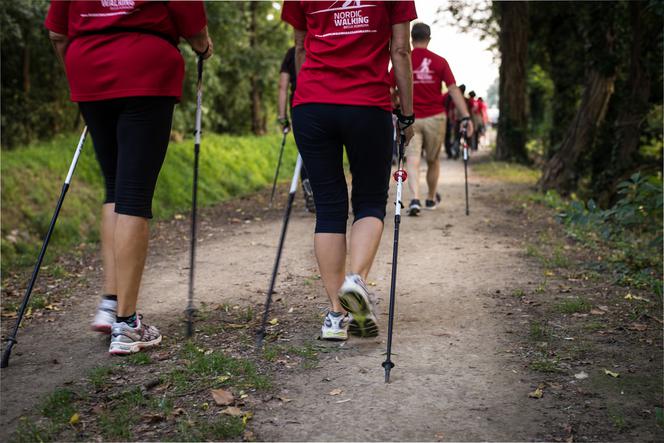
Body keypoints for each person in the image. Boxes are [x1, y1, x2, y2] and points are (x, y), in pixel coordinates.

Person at [45, 1, 213, 355]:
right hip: (145, 69)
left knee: (115, 186)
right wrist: (203, 45)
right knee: (133, 194)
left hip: (88, 68)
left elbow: (58, 32)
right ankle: (127, 324)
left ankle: (110, 303)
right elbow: (193, 24)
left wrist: (80, 77)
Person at [281, 0, 417, 340]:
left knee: (328, 208)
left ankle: (335, 317)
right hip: (366, 104)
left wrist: (304, 98)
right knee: (370, 200)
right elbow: (400, 50)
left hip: (312, 105)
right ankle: (355, 279)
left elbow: (300, 47)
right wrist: (408, 113)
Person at [396, 23, 472, 216]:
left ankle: (415, 198)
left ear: (411, 38)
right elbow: (453, 89)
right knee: (433, 160)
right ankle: (430, 198)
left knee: (412, 159)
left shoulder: (404, 59)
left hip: (410, 117)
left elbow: (390, 88)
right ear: (429, 38)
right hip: (435, 118)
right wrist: (466, 116)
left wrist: (393, 108)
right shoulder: (440, 62)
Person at [277, 46, 315, 213]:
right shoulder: (325, 42)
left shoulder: (291, 53)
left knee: (306, 150)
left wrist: (282, 116)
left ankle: (308, 185)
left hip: (299, 105)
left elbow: (283, 86)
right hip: (324, 100)